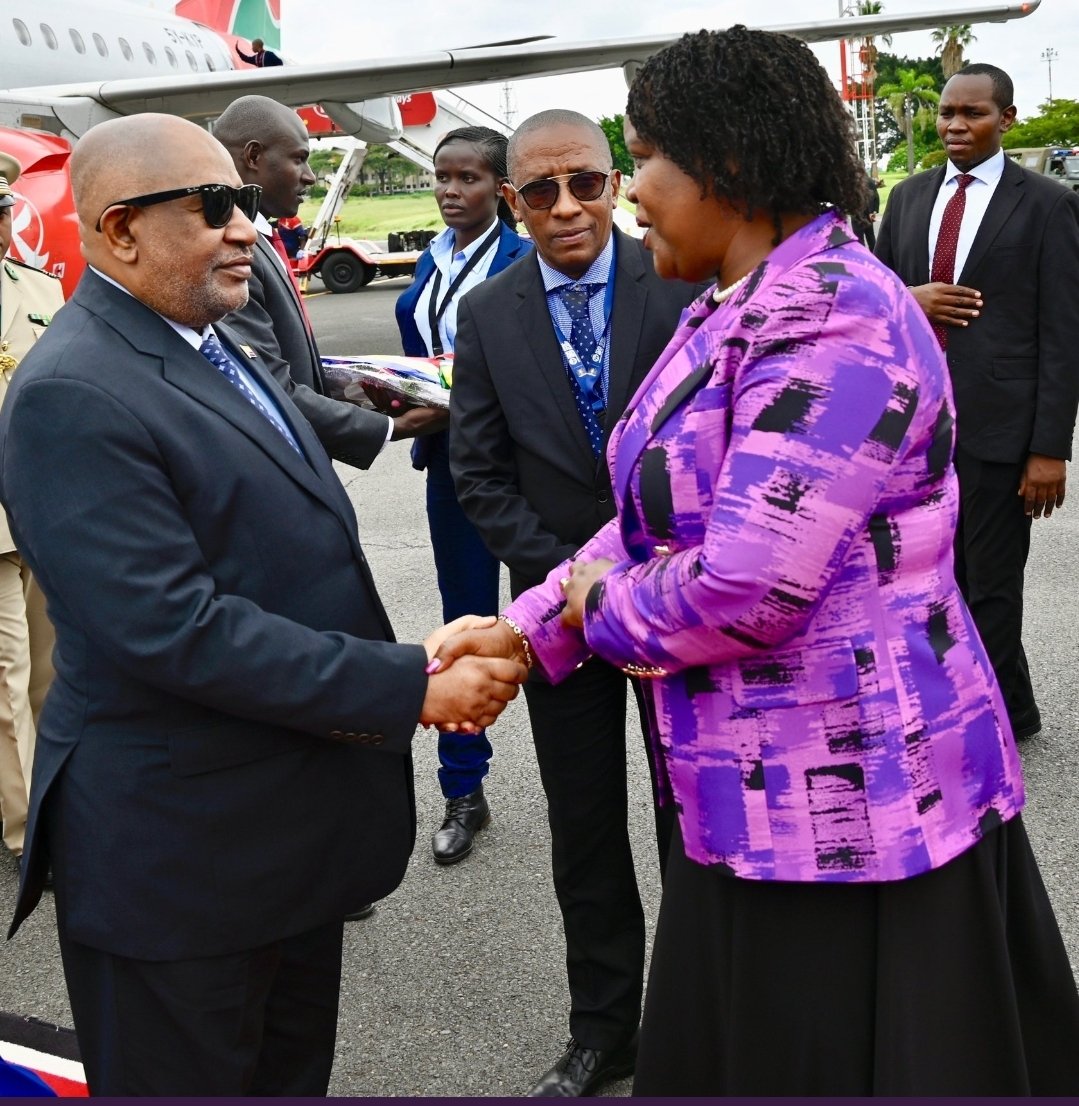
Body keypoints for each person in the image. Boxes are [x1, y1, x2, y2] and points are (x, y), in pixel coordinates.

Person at [435, 28, 1079, 1096]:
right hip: (751, 787)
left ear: (725, 166)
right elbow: (652, 520)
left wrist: (594, 607)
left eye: (639, 159)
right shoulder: (736, 302)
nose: (629, 191)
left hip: (857, 811)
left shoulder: (833, 318)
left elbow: (742, 587)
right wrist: (525, 623)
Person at [0, 112, 526, 1097]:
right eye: (213, 206)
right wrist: (408, 683)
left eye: (245, 202)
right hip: (178, 870)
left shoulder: (205, 342)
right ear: (119, 230)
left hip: (273, 847)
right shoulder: (73, 393)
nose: (247, 225)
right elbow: (173, 627)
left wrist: (412, 659)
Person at [449, 109, 696, 1095]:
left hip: (680, 609)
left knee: (692, 818)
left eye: (585, 183)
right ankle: (604, 1027)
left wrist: (640, 581)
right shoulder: (490, 312)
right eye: (539, 191)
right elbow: (477, 474)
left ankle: (696, 1017)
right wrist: (570, 587)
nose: (565, 208)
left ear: (612, 182)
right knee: (584, 827)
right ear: (511, 201)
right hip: (560, 626)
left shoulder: (680, 280)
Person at [876, 63, 1079, 744]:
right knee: (929, 582)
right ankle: (1011, 710)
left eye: (973, 114)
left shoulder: (1047, 204)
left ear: (1006, 120)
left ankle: (978, 730)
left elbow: (1062, 332)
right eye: (946, 114)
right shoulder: (904, 198)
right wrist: (909, 297)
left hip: (999, 431)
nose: (955, 126)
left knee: (990, 587)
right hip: (914, 432)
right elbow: (869, 305)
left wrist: (1048, 448)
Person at [394, 127, 531, 866]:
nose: (450, 191)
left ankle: (580, 774)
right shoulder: (431, 258)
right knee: (460, 629)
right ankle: (462, 791)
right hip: (450, 467)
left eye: (468, 178)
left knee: (554, 628)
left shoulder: (525, 255)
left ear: (501, 189)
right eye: (441, 177)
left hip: (526, 470)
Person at [215, 96, 444, 474]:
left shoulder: (263, 234)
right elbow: (269, 384)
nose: (309, 175)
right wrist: (392, 427)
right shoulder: (232, 252)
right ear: (253, 156)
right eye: (298, 158)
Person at [0, 151, 63, 875]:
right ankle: (27, 833)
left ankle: (61, 800)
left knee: (52, 674)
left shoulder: (39, 287)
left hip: (41, 513)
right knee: (6, 677)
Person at [851, 171, 881, 248]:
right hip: (868, 214)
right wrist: (873, 211)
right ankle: (875, 255)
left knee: (859, 239)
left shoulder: (852, 181)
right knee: (870, 237)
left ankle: (862, 257)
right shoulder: (870, 181)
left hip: (856, 214)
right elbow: (876, 198)